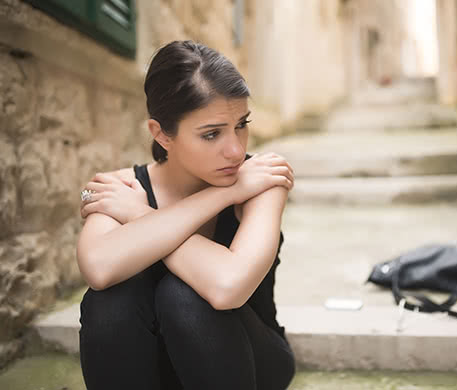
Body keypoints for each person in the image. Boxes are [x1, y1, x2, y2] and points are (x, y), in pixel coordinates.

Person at [76, 40, 296, 390]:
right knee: (109, 301)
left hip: (251, 362)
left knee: (185, 296)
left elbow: (228, 287)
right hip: (154, 367)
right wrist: (223, 194)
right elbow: (99, 268)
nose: (236, 150)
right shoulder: (121, 187)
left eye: (242, 124)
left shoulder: (264, 179)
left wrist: (139, 214)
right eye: (211, 134)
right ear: (161, 133)